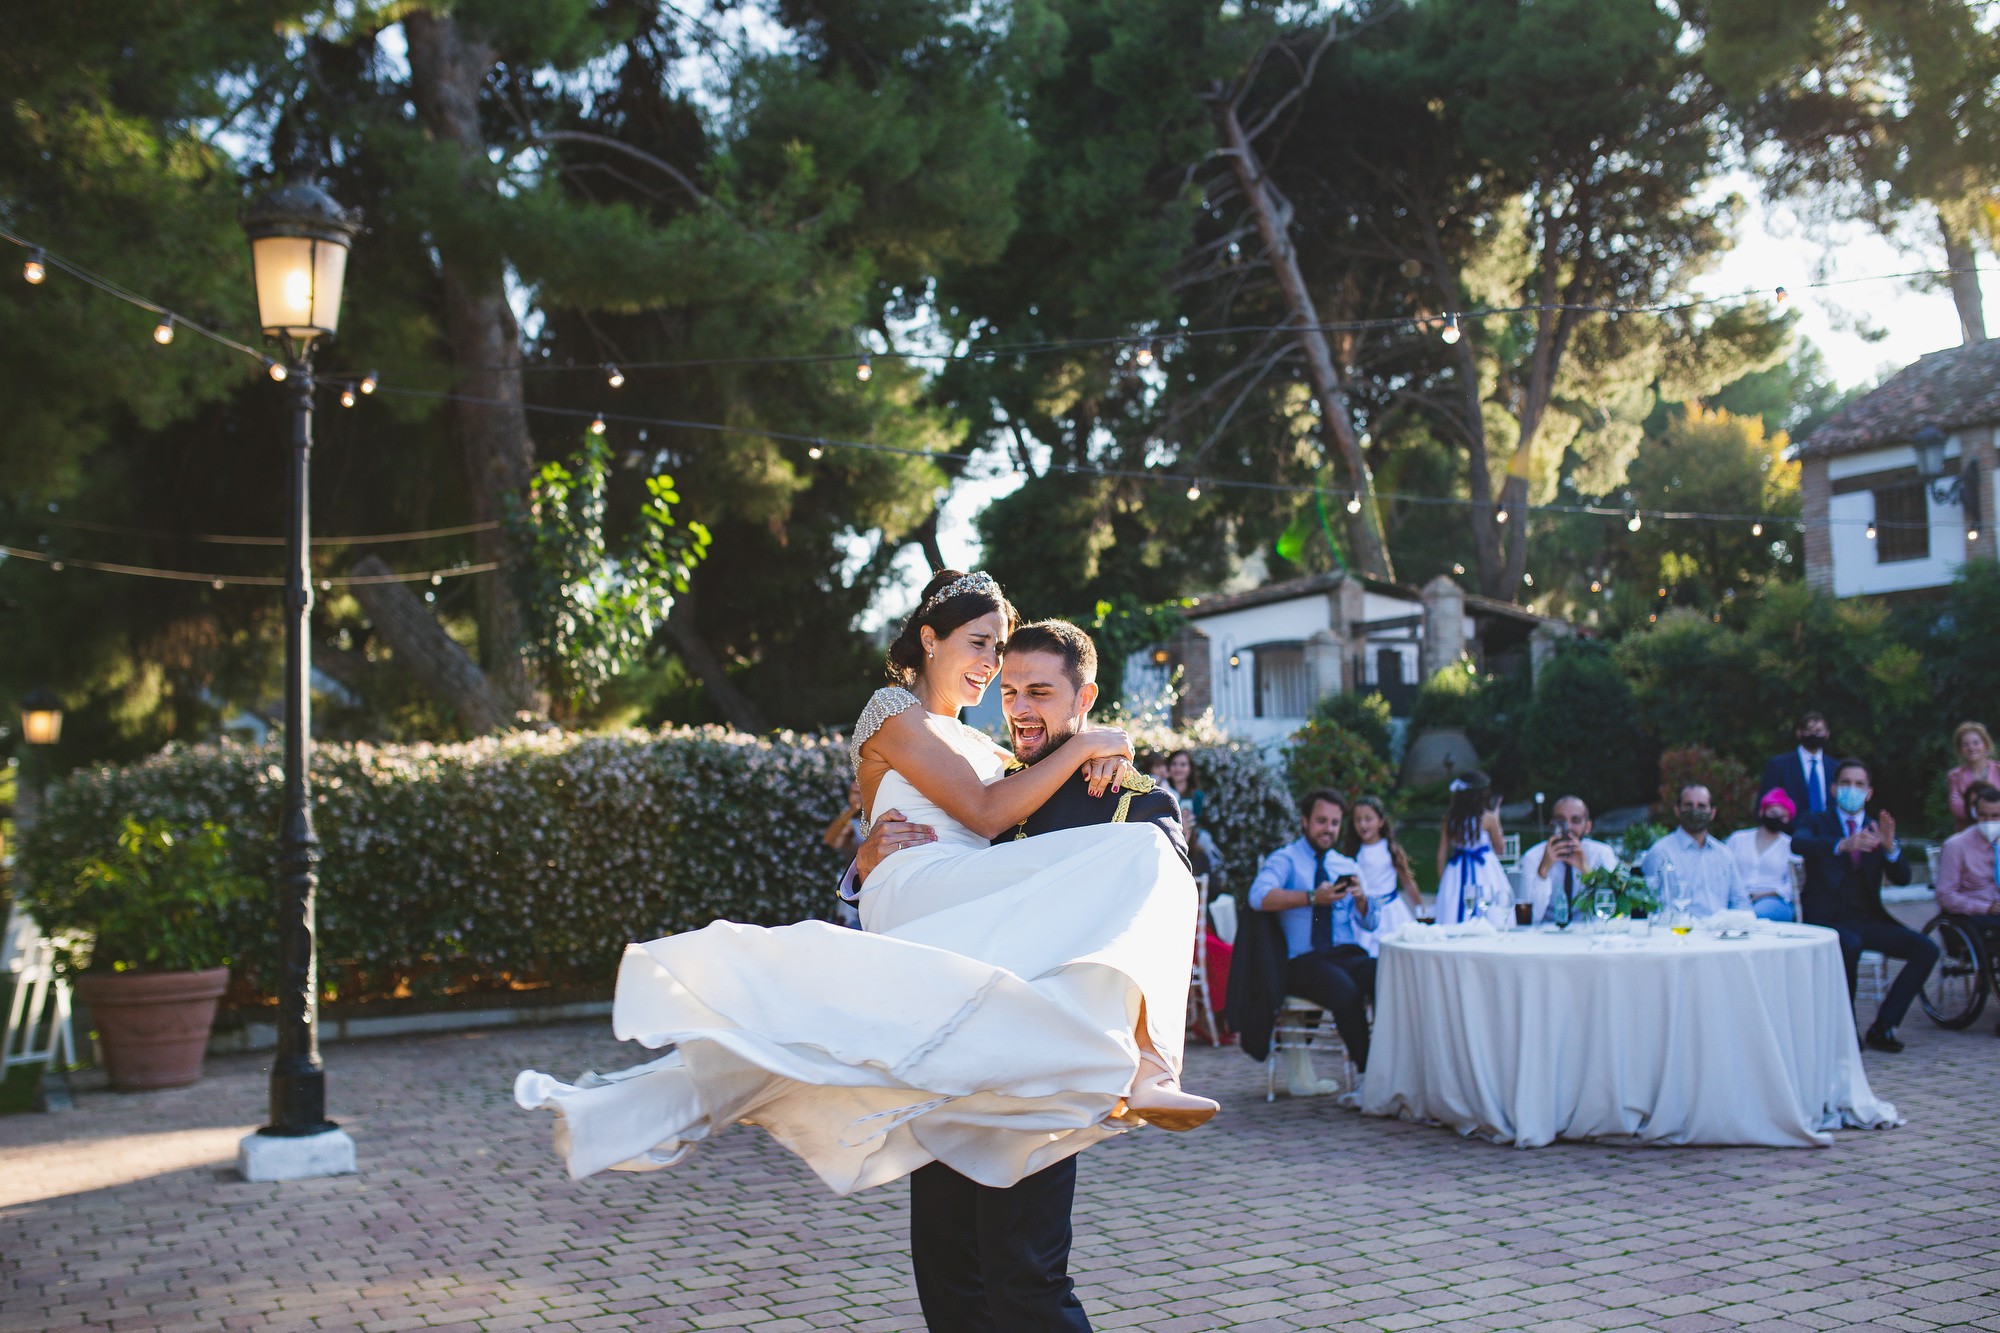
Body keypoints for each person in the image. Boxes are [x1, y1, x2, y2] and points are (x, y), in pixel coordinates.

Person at [516, 570, 1210, 1214]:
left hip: (961, 891)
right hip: (927, 891)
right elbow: (985, 813)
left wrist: (1104, 750)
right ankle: (1150, 1064)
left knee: (818, 1045)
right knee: (1143, 852)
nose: (991, 664)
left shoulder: (982, 744)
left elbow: (1018, 792)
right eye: (979, 643)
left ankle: (614, 1116)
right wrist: (1093, 744)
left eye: (998, 649)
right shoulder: (892, 709)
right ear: (930, 639)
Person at [851, 617, 1192, 1333]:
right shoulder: (992, 786)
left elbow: (1160, 903)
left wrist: (1141, 1044)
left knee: (1023, 1274)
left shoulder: (1128, 798)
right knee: (947, 1269)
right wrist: (864, 864)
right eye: (1009, 691)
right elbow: (932, 870)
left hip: (1038, 1068)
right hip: (949, 1050)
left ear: (1084, 698)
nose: (1019, 708)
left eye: (1039, 691)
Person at [1792, 758, 1939, 1053]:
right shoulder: (1817, 821)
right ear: (1834, 789)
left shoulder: (1877, 827)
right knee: (1850, 944)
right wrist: (1841, 845)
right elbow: (1798, 843)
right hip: (1827, 917)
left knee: (1926, 949)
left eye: (1859, 784)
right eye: (1846, 783)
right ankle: (1845, 1030)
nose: (1852, 789)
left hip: (1868, 918)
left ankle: (1884, 1025)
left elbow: (1902, 878)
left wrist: (1890, 847)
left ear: (1869, 792)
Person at [1240, 788, 1379, 1070]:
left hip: (1345, 954)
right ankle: (1370, 1073)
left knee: (1385, 975)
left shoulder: (1346, 864)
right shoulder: (1286, 859)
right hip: (1302, 961)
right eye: (1321, 821)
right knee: (1346, 992)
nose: (1328, 829)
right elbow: (1258, 896)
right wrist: (1312, 897)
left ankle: (1393, 1065)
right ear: (1305, 821)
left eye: (1335, 823)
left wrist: (1362, 899)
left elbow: (1371, 923)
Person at [1929, 781, 2000, 1037]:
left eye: (1996, 816)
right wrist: (1985, 907)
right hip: (1972, 916)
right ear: (1974, 814)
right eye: (1984, 816)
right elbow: (1945, 895)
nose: (1989, 822)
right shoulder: (1956, 846)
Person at [1640, 785, 1751, 916]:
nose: (1695, 810)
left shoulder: (1724, 854)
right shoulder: (1660, 853)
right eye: (1689, 805)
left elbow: (1741, 902)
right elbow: (1649, 904)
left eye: (1701, 806)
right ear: (1677, 810)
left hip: (1720, 927)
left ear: (1712, 813)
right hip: (1679, 926)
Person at [1517, 796, 1620, 926]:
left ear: (1587, 826)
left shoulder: (1602, 853)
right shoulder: (1533, 856)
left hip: (1588, 930)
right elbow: (1529, 918)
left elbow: (1613, 911)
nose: (1568, 827)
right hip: (1546, 932)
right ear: (1551, 824)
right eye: (1561, 821)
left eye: (1575, 821)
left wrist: (1586, 871)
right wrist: (1543, 870)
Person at [1341, 794, 1421, 953]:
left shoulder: (1391, 849)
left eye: (1368, 819)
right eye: (1358, 820)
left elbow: (1407, 881)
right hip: (1364, 912)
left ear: (1381, 821)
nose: (1362, 824)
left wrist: (1420, 910)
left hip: (1391, 912)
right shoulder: (1352, 852)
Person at [1434, 772, 1512, 927]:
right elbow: (1500, 849)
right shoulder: (1488, 818)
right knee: (1490, 907)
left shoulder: (1449, 819)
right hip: (1485, 869)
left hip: (1456, 871)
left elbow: (1441, 855)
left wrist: (1444, 883)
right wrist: (1497, 818)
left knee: (1453, 906)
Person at [1724, 789, 1800, 922]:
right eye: (1773, 813)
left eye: (1783, 816)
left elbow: (1794, 884)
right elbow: (1723, 870)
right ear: (1762, 811)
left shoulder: (1791, 845)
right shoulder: (1737, 839)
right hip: (1737, 898)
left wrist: (1765, 894)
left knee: (1752, 915)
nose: (1777, 818)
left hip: (1775, 901)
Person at [1760, 711, 1834, 828]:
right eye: (1808, 730)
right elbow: (1765, 802)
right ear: (1799, 732)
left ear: (1827, 734)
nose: (1813, 734)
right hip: (1789, 833)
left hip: (1827, 833)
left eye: (1818, 731)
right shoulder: (1778, 765)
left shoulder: (1835, 767)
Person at [1947, 722, 2000, 830]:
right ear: (1960, 749)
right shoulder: (1955, 776)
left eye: (1976, 743)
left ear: (1985, 744)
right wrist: (1986, 814)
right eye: (1965, 744)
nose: (1971, 748)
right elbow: (1956, 806)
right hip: (1968, 831)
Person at [1164, 750, 1206, 821]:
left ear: (1190, 769)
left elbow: (1196, 821)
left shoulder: (1197, 795)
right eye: (1174, 764)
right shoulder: (1162, 790)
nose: (1178, 768)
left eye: (1183, 764)